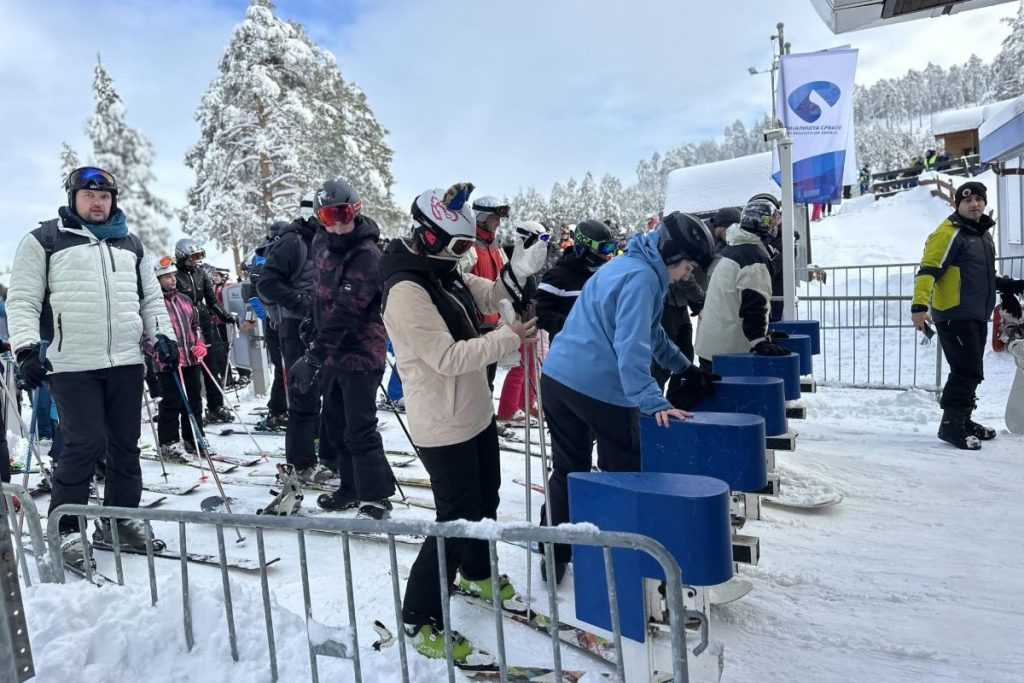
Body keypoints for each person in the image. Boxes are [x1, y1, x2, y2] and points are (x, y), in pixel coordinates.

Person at [381, 185, 545, 663]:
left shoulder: (445, 270)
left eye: (468, 244)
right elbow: (447, 357)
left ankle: (476, 570)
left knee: (486, 498)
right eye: (457, 246)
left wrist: (517, 269)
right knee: (454, 519)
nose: (464, 254)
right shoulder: (406, 291)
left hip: (474, 411)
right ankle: (418, 614)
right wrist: (505, 338)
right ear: (426, 237)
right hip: (442, 419)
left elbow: (490, 293)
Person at [6, 166, 177, 568]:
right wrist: (27, 349)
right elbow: (23, 300)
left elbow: (151, 300)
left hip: (125, 361)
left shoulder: (130, 244)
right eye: (89, 195)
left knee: (125, 446)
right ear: (73, 198)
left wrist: (161, 336)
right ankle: (66, 530)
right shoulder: (44, 239)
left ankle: (120, 521)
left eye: (104, 197)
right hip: (71, 363)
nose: (98, 203)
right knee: (83, 445)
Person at [539, 212, 719, 584]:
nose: (688, 275)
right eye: (687, 266)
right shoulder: (641, 278)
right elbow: (632, 348)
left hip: (558, 379)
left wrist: (684, 367)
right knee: (624, 472)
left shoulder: (628, 265)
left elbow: (651, 334)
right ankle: (621, 559)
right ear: (671, 255)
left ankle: (554, 550)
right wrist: (653, 401)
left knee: (569, 469)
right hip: (598, 388)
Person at [293, 179, 396, 519]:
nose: (337, 223)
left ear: (356, 209)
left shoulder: (368, 254)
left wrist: (312, 356)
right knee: (334, 427)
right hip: (334, 353)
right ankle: (351, 487)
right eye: (328, 216)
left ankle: (376, 495)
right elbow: (320, 293)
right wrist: (311, 321)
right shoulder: (323, 245)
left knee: (359, 428)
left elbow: (348, 311)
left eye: (343, 213)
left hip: (361, 354)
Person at [911, 181, 997, 450]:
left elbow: (982, 276)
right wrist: (919, 307)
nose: (975, 204)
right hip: (954, 313)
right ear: (958, 204)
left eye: (979, 200)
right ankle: (951, 426)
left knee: (971, 371)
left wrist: (1009, 286)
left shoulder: (982, 235)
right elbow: (928, 270)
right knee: (966, 371)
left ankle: (963, 420)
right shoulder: (948, 233)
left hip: (976, 313)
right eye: (968, 200)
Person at [257, 194, 336, 484]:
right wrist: (302, 303)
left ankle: (329, 456)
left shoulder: (330, 240)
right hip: (295, 327)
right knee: (304, 395)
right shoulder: (294, 241)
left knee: (332, 394)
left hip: (326, 326)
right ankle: (301, 463)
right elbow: (266, 282)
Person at [694, 197, 791, 370]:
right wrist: (759, 340)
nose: (775, 228)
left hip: (712, 346)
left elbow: (732, 301)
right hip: (730, 352)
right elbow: (754, 302)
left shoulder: (734, 249)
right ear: (764, 225)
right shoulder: (753, 258)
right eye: (773, 223)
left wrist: (765, 333)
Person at [151, 255, 207, 461]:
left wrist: (199, 342)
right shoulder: (153, 304)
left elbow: (196, 325)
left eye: (173, 275)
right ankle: (169, 442)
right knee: (172, 401)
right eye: (166, 276)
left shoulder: (184, 300)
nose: (172, 280)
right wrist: (157, 350)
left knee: (194, 400)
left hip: (191, 359)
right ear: (156, 280)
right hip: (168, 363)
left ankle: (194, 437)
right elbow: (145, 335)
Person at [173, 238, 235, 426]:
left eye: (199, 257)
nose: (196, 261)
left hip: (205, 323)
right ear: (183, 256)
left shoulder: (201, 273)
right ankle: (191, 409)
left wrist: (226, 317)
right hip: (185, 325)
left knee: (212, 367)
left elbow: (212, 300)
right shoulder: (175, 275)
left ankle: (216, 406)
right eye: (193, 257)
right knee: (191, 370)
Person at [535, 220, 615, 342]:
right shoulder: (557, 276)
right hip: (568, 353)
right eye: (602, 249)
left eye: (611, 248)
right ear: (585, 248)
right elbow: (541, 313)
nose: (607, 255)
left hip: (600, 354)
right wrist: (575, 326)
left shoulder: (605, 275)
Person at [461, 195, 510, 392]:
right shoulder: (468, 244)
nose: (498, 223)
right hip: (473, 323)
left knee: (488, 379)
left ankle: (487, 421)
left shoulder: (495, 247)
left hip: (494, 322)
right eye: (494, 219)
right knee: (474, 381)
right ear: (481, 217)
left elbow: (505, 277)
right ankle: (474, 421)